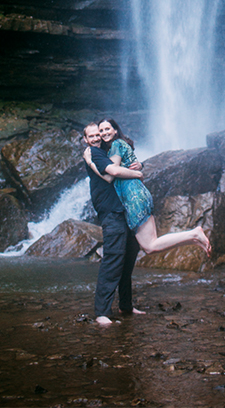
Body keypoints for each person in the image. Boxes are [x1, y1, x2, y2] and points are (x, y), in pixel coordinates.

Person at [84, 118, 212, 257]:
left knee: (150, 245)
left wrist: (90, 162)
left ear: (115, 130)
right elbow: (129, 162)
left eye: (107, 129)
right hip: (135, 196)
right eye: (100, 130)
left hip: (134, 198)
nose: (103, 133)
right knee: (149, 245)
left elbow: (112, 173)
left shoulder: (116, 144)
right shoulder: (116, 145)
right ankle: (194, 239)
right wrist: (140, 166)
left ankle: (194, 234)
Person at [81, 122, 145, 327]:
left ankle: (126, 305)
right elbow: (110, 175)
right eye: (91, 135)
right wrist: (137, 173)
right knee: (113, 260)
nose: (96, 137)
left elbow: (125, 159)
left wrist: (139, 165)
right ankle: (101, 311)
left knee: (128, 257)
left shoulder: (108, 149)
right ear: (85, 139)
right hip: (111, 213)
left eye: (98, 134)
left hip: (126, 211)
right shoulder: (94, 153)